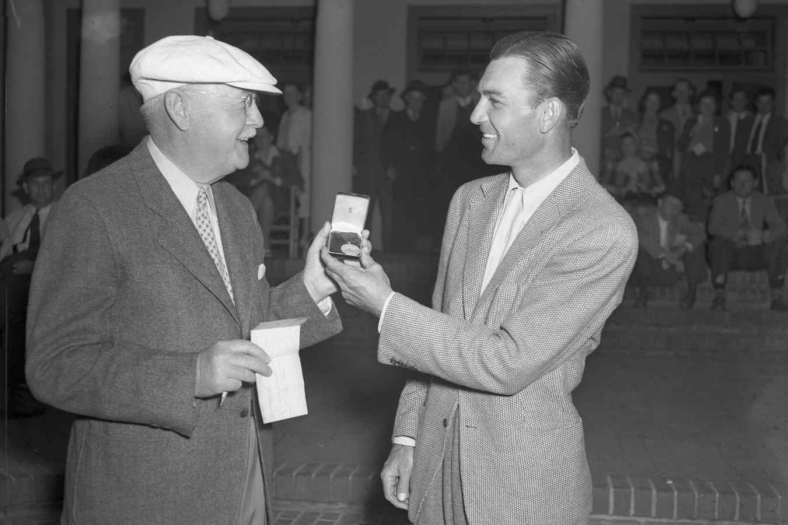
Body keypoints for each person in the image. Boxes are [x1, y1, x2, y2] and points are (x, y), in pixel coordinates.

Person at [25, 35, 350, 524]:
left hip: (244, 485)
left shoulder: (237, 209)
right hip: (147, 501)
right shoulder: (94, 207)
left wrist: (313, 288)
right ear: (180, 109)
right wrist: (190, 375)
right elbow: (55, 365)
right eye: (244, 104)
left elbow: (248, 331)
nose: (259, 121)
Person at [321, 32, 638, 525]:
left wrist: (385, 305)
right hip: (436, 464)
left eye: (494, 101)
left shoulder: (601, 229)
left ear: (548, 114)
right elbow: (441, 327)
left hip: (520, 486)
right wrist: (407, 436)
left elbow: (508, 362)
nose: (474, 115)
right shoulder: (470, 200)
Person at [0, 157, 62, 418]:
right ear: (25, 188)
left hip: (47, 284)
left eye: (46, 183)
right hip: (10, 279)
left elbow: (66, 258)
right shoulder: (13, 220)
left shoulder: (65, 215)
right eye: (35, 184)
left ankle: (17, 391)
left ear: (54, 185)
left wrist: (34, 266)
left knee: (11, 305)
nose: (42, 189)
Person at [708, 165, 787, 312]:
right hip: (731, 252)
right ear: (732, 183)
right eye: (738, 181)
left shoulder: (764, 200)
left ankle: (777, 297)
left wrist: (765, 235)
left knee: (779, 242)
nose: (743, 185)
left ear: (755, 183)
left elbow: (781, 227)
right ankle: (719, 297)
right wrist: (737, 234)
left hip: (757, 252)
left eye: (747, 181)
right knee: (718, 243)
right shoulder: (721, 201)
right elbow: (713, 227)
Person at [630, 187, 707, 309]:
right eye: (670, 205)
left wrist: (684, 248)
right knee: (640, 249)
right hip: (648, 265)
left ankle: (691, 294)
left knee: (695, 248)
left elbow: (700, 234)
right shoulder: (645, 216)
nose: (674, 210)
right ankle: (643, 294)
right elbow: (639, 235)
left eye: (678, 207)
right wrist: (664, 254)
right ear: (660, 203)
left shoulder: (681, 219)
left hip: (671, 265)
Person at [382, 80, 435, 252]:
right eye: (413, 98)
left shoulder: (427, 119)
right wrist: (389, 167)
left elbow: (431, 147)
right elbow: (386, 145)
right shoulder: (396, 117)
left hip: (421, 173)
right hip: (401, 172)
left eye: (419, 98)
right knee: (400, 208)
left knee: (418, 209)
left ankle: (413, 249)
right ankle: (398, 249)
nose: (416, 102)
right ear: (406, 99)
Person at [676, 90, 730, 221]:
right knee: (690, 201)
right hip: (691, 165)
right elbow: (680, 146)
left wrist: (718, 172)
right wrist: (692, 132)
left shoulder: (722, 123)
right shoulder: (691, 122)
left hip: (710, 165)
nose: (707, 107)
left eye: (711, 103)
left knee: (709, 201)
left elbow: (724, 150)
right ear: (698, 106)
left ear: (716, 106)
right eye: (704, 104)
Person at [354, 79, 395, 251]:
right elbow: (357, 143)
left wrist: (393, 167)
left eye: (386, 95)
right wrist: (357, 165)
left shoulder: (395, 117)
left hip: (389, 174)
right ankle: (365, 249)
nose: (383, 99)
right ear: (373, 98)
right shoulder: (364, 117)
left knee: (389, 213)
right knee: (366, 213)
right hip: (368, 172)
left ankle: (389, 250)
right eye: (379, 96)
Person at [276, 82, 312, 253]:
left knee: (304, 199)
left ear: (299, 95)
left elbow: (308, 141)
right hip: (287, 163)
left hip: (303, 161)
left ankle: (305, 237)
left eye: (292, 93)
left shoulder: (307, 115)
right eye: (286, 94)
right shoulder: (285, 116)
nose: (289, 97)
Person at [602, 132, 665, 208]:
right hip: (622, 205)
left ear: (636, 145)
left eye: (631, 144)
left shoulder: (647, 164)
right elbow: (603, 186)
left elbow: (661, 187)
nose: (627, 147)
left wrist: (646, 189)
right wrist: (624, 189)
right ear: (620, 147)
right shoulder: (614, 165)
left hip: (645, 204)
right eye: (624, 144)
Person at [743, 87, 787, 193]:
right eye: (761, 102)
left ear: (773, 103)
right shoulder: (746, 121)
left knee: (767, 194)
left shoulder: (781, 123)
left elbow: (782, 149)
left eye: (768, 102)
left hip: (767, 162)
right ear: (756, 103)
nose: (764, 105)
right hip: (747, 161)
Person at [600, 75, 639, 175]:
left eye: (621, 93)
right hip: (604, 163)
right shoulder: (600, 114)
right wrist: (608, 134)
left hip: (626, 166)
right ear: (609, 93)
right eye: (615, 92)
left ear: (625, 95)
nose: (618, 96)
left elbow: (636, 141)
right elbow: (592, 140)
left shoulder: (632, 115)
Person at [660, 78, 697, 180]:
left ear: (690, 92)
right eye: (678, 91)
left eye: (684, 90)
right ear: (673, 93)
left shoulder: (699, 114)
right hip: (673, 160)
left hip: (694, 159)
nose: (681, 94)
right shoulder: (664, 115)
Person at [637, 88, 675, 182]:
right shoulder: (635, 121)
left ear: (660, 104)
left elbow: (670, 151)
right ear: (644, 102)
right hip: (637, 166)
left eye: (656, 101)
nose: (653, 103)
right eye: (650, 100)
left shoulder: (667, 125)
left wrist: (671, 169)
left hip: (659, 167)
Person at [727, 88, 754, 165]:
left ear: (746, 101)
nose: (739, 102)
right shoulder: (724, 119)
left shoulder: (753, 120)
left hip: (745, 158)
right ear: (731, 102)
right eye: (736, 99)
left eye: (742, 99)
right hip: (726, 157)